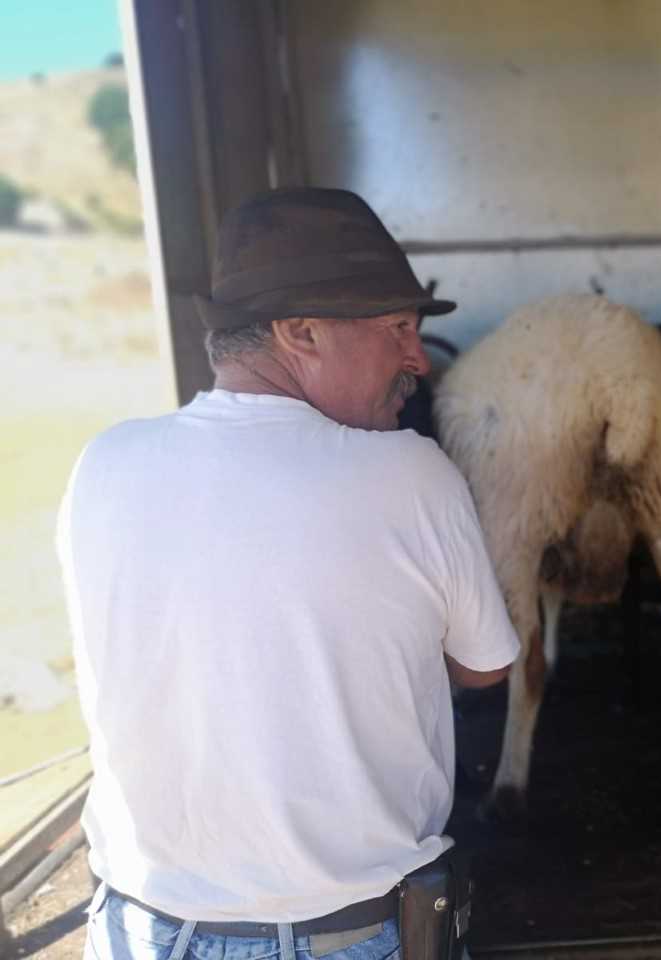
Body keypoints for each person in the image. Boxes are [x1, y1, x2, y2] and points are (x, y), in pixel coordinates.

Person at [58, 187, 520, 960]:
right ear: (299, 332)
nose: (416, 357)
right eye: (399, 328)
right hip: (344, 936)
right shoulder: (408, 474)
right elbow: (484, 667)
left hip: (139, 931)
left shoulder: (103, 463)